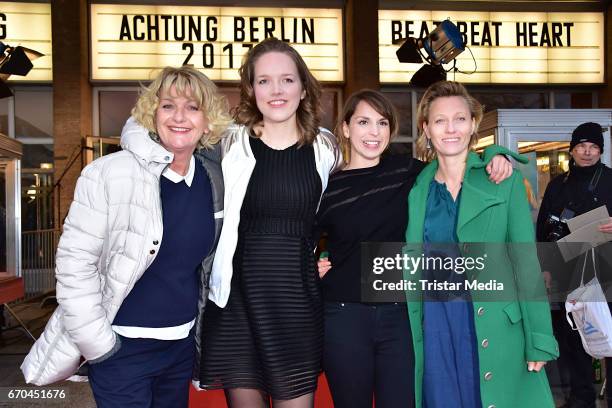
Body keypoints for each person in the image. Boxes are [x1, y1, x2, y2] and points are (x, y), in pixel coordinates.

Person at [21, 66, 230, 408]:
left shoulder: (213, 180)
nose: (180, 116)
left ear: (208, 121)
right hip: (121, 349)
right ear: (152, 114)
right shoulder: (108, 173)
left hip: (180, 349)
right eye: (168, 105)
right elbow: (75, 265)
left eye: (193, 107)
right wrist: (98, 343)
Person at [315, 89, 513, 408]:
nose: (373, 132)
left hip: (400, 317)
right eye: (364, 122)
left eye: (382, 123)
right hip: (343, 316)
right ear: (346, 128)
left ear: (391, 130)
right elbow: (305, 239)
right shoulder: (328, 186)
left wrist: (496, 155)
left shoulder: (411, 173)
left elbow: (458, 161)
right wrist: (316, 260)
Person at [199, 37, 341, 408]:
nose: (276, 90)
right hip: (237, 301)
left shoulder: (327, 149)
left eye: (287, 79)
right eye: (264, 80)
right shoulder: (228, 144)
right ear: (250, 89)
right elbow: (151, 130)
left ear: (303, 87)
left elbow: (365, 200)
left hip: (296, 298)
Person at [404, 80, 558, 408]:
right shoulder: (418, 189)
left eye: (460, 119)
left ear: (473, 124)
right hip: (436, 326)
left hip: (494, 325)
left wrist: (539, 339)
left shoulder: (504, 182)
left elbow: (526, 264)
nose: (451, 129)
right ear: (426, 128)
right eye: (440, 120)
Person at [536, 122, 612, 408]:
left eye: (593, 147)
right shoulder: (559, 184)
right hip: (568, 271)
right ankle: (582, 396)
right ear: (572, 149)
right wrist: (544, 267)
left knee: (610, 331)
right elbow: (544, 229)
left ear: (600, 151)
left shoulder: (610, 180)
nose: (587, 152)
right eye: (581, 146)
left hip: (606, 269)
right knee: (574, 334)